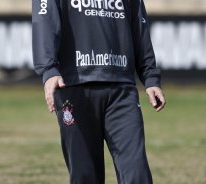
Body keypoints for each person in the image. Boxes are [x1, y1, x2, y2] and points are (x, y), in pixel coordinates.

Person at [32, 0, 166, 183]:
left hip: (122, 90)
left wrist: (150, 77)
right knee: (85, 175)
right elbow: (44, 21)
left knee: (137, 171)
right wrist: (48, 70)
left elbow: (139, 27)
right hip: (73, 87)